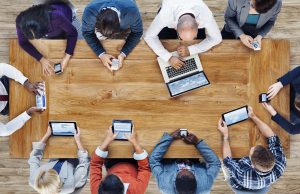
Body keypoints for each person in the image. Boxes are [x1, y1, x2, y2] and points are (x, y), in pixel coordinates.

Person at [218, 106, 286, 194]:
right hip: (262, 184)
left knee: (222, 161)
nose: (252, 147)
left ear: (251, 165)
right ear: (271, 154)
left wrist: (225, 136)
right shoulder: (280, 163)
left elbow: (227, 161)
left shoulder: (243, 174)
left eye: (251, 151)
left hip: (239, 184)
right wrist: (253, 116)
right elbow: (272, 137)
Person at [144, 0, 222, 70]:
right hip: (170, 8)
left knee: (200, 39)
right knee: (163, 38)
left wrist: (191, 50)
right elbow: (149, 36)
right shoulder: (165, 15)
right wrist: (168, 57)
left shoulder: (205, 15)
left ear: (198, 24)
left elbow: (217, 38)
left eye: (194, 36)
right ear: (175, 28)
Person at [16, 0, 80, 76]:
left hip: (68, 21)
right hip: (52, 31)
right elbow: (23, 43)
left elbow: (72, 33)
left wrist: (66, 58)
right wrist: (41, 59)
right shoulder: (21, 22)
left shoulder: (56, 17)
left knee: (80, 45)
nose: (36, 39)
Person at [149, 129, 221, 194]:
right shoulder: (205, 186)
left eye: (180, 172)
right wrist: (198, 143)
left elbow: (153, 161)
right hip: (193, 156)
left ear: (174, 182)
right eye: (189, 171)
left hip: (169, 156)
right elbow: (215, 164)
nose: (184, 168)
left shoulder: (165, 185)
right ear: (196, 181)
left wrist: (169, 138)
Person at [82, 0, 143, 72]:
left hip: (126, 22)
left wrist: (124, 53)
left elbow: (137, 32)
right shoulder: (90, 11)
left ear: (120, 21)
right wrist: (101, 54)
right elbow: (87, 33)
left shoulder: (132, 11)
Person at [90, 126, 151, 194]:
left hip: (111, 162)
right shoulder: (136, 190)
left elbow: (94, 164)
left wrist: (106, 141)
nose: (118, 173)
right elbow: (145, 168)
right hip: (135, 162)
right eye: (118, 177)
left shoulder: (98, 190)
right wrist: (135, 143)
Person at [28, 126, 90, 194]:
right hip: (75, 165)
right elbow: (84, 162)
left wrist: (47, 135)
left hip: (56, 160)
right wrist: (78, 140)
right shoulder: (69, 186)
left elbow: (34, 157)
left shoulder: (34, 179)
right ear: (58, 179)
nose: (47, 169)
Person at [0, 63, 44, 137]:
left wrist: (25, 82)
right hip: (10, 107)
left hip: (9, 83)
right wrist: (27, 113)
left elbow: (2, 67)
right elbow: (5, 131)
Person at [262, 66, 300, 135]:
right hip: (293, 85)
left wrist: (273, 112)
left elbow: (292, 130)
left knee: (288, 116)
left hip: (291, 107)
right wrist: (280, 84)